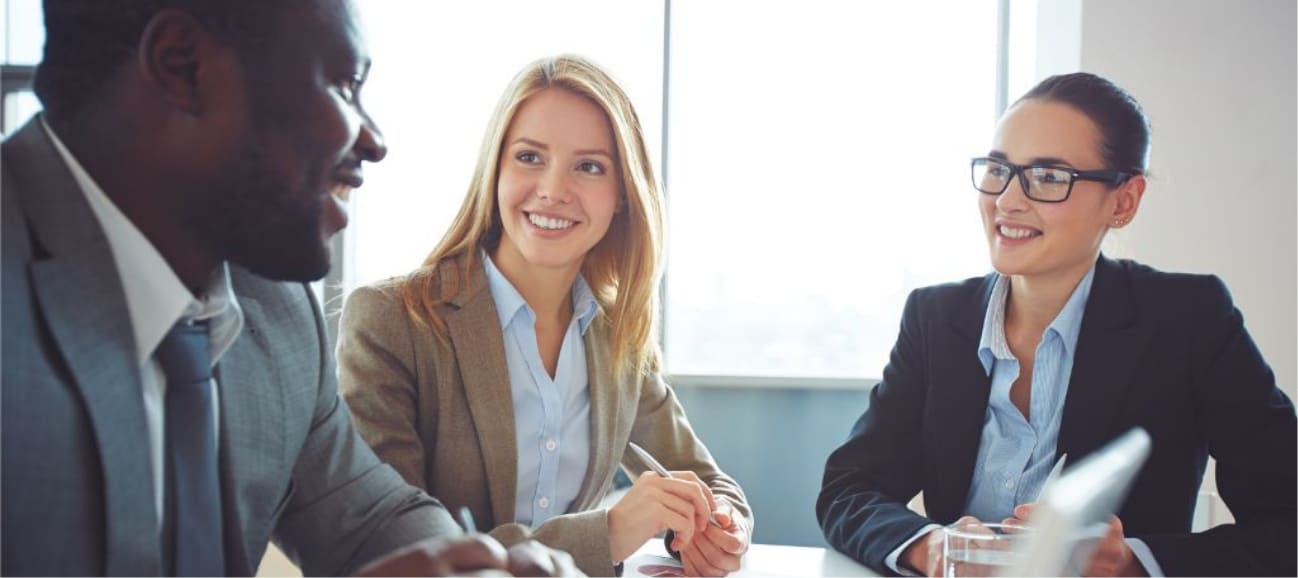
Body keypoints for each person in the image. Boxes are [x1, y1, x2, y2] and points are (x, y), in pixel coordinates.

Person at [0, 1, 578, 576]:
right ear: (182, 67)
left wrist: (482, 569)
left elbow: (369, 517)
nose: (373, 141)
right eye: (344, 85)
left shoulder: (273, 304)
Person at [816, 72, 1296, 577]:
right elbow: (850, 488)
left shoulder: (1189, 319)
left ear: (1124, 201)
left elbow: (1289, 520)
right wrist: (928, 546)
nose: (1007, 201)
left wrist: (1134, 562)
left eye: (1049, 177)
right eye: (998, 169)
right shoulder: (936, 318)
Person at [337, 54, 753, 577]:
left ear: (622, 196)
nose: (554, 189)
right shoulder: (392, 322)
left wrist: (716, 529)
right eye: (530, 157)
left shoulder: (617, 333)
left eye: (589, 166)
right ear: (496, 170)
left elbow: (707, 482)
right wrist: (606, 534)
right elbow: (398, 552)